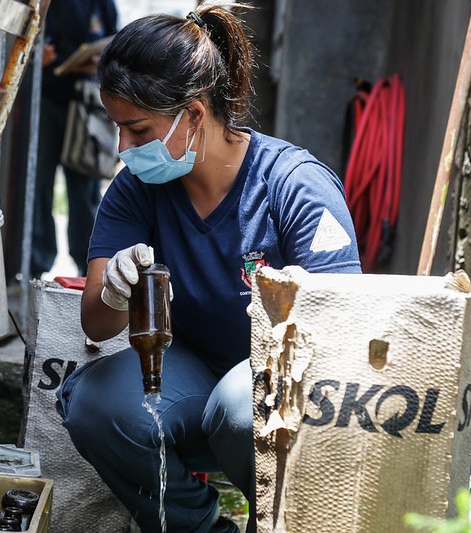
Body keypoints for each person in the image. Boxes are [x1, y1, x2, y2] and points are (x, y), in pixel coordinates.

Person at [55, 4, 362, 533]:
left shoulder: (294, 185)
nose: (122, 148)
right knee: (94, 403)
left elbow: (342, 326)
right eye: (117, 128)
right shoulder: (136, 191)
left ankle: (280, 522)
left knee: (241, 406)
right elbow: (96, 325)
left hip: (283, 392)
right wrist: (113, 293)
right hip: (191, 378)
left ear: (194, 115)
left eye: (137, 129)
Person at [31, 0, 118, 278]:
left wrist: (100, 61)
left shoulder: (103, 4)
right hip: (47, 98)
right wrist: (38, 57)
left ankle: (88, 266)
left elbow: (114, 41)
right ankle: (36, 263)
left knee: (84, 188)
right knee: (39, 185)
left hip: (86, 102)